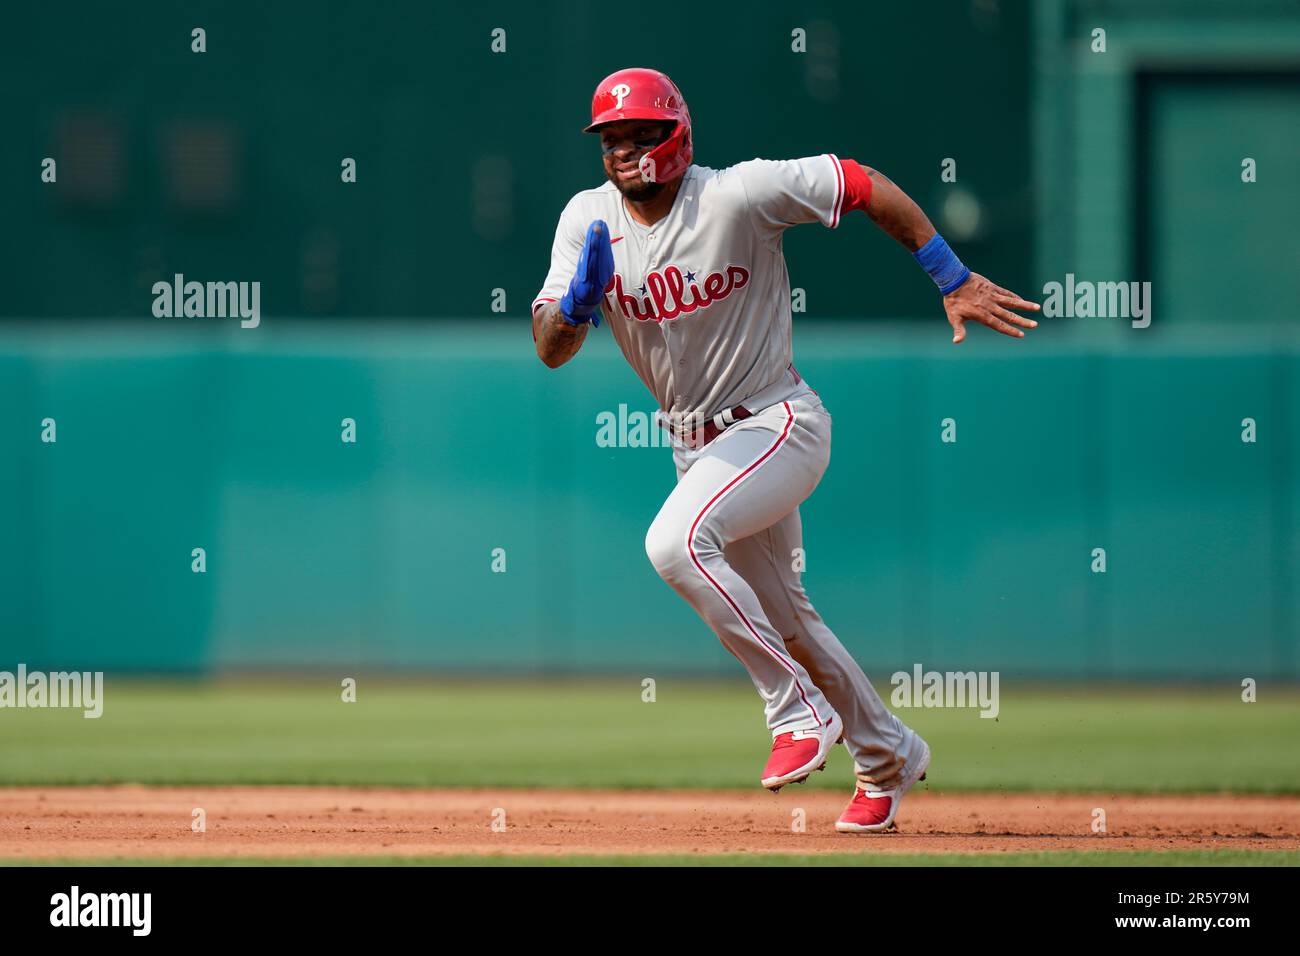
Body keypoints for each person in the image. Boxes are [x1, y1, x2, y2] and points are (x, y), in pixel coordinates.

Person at [531, 67, 1039, 832]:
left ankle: (797, 709)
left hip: (775, 422)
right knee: (791, 619)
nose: (626, 150)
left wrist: (950, 273)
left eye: (643, 134)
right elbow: (549, 350)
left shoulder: (736, 194)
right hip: (696, 448)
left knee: (674, 544)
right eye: (612, 138)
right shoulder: (586, 219)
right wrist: (573, 307)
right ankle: (888, 755)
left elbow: (859, 182)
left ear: (678, 135)